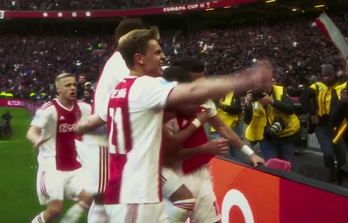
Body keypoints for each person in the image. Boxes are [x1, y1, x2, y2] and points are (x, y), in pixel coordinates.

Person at [77, 26, 271, 222]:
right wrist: (248, 78)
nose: (162, 57)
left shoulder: (117, 90)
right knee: (185, 201)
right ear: (140, 59)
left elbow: (91, 122)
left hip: (136, 193)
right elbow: (193, 90)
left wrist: (75, 128)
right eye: (157, 52)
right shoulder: (145, 86)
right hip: (135, 196)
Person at [162, 65, 263, 223]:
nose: (204, 84)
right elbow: (168, 156)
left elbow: (223, 127)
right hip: (175, 177)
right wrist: (204, 147)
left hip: (201, 173)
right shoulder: (162, 114)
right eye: (199, 80)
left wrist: (249, 152)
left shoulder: (205, 102)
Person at [74, 17, 148, 223]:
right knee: (108, 199)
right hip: (104, 139)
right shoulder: (121, 64)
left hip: (109, 137)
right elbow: (140, 91)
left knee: (110, 200)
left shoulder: (118, 62)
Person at [26, 73, 93, 223]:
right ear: (59, 89)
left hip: (75, 166)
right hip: (51, 166)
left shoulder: (84, 108)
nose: (72, 88)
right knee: (55, 210)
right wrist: (37, 140)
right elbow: (32, 131)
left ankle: (70, 218)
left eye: (74, 84)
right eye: (68, 85)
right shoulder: (48, 109)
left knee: (92, 196)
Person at [171, 57, 264, 165]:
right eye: (197, 82)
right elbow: (168, 150)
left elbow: (222, 127)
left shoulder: (206, 102)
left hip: (191, 164)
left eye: (203, 80)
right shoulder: (162, 101)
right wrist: (198, 124)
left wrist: (250, 154)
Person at [299, 64, 347, 182]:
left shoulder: (341, 85)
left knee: (342, 156)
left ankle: (341, 178)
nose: (326, 78)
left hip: (338, 125)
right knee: (328, 153)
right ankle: (330, 178)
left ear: (334, 74)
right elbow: (303, 98)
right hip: (322, 124)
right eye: (324, 76)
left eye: (329, 75)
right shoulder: (317, 86)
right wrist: (313, 113)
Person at [244, 73, 300, 165]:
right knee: (273, 166)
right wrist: (248, 104)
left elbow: (290, 109)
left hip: (285, 135)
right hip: (266, 138)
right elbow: (247, 120)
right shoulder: (253, 96)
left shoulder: (281, 91)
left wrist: (272, 102)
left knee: (288, 166)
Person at [210, 90, 244, 158]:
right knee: (224, 157)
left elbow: (237, 109)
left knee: (237, 156)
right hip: (219, 130)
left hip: (233, 128)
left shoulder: (234, 93)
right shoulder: (213, 95)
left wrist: (223, 106)